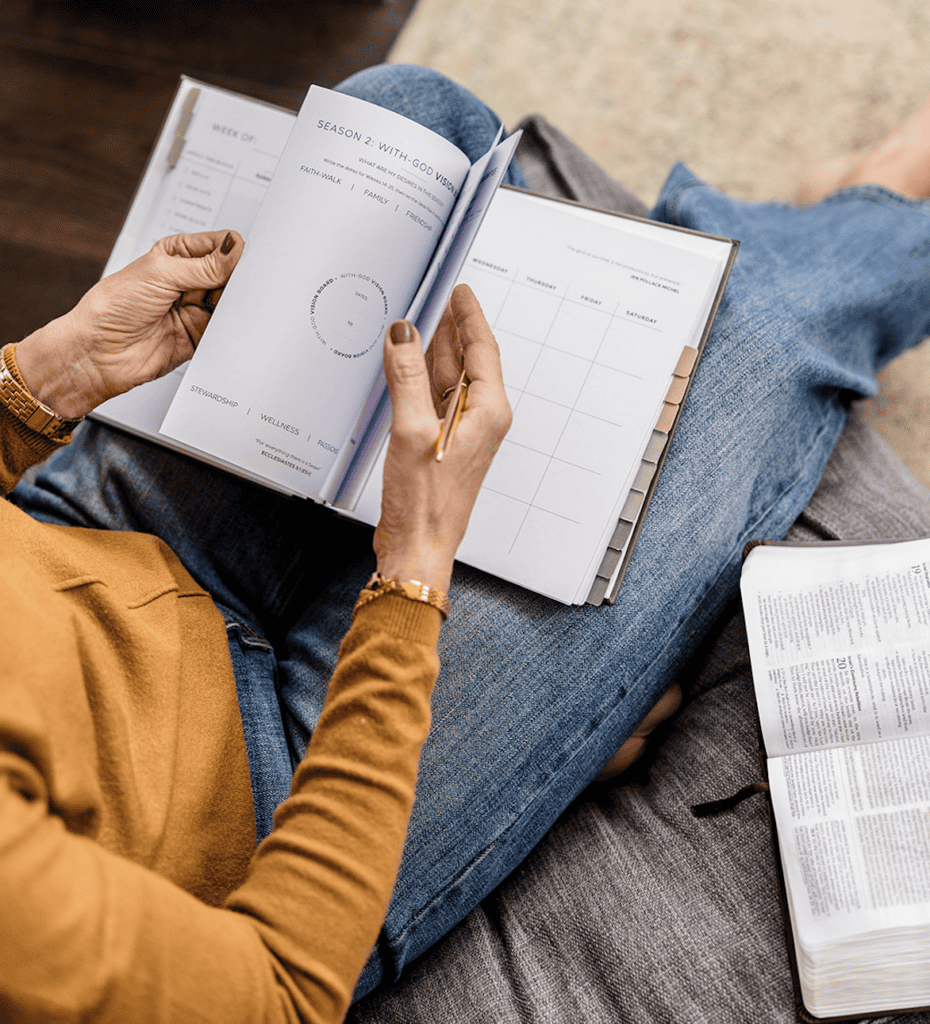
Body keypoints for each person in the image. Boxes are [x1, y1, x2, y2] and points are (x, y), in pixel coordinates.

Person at [2, 62, 930, 1022]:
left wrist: (43, 381)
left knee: (414, 129)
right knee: (745, 359)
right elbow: (270, 994)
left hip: (83, 549)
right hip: (255, 809)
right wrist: (411, 575)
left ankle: (766, 249)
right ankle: (885, 199)